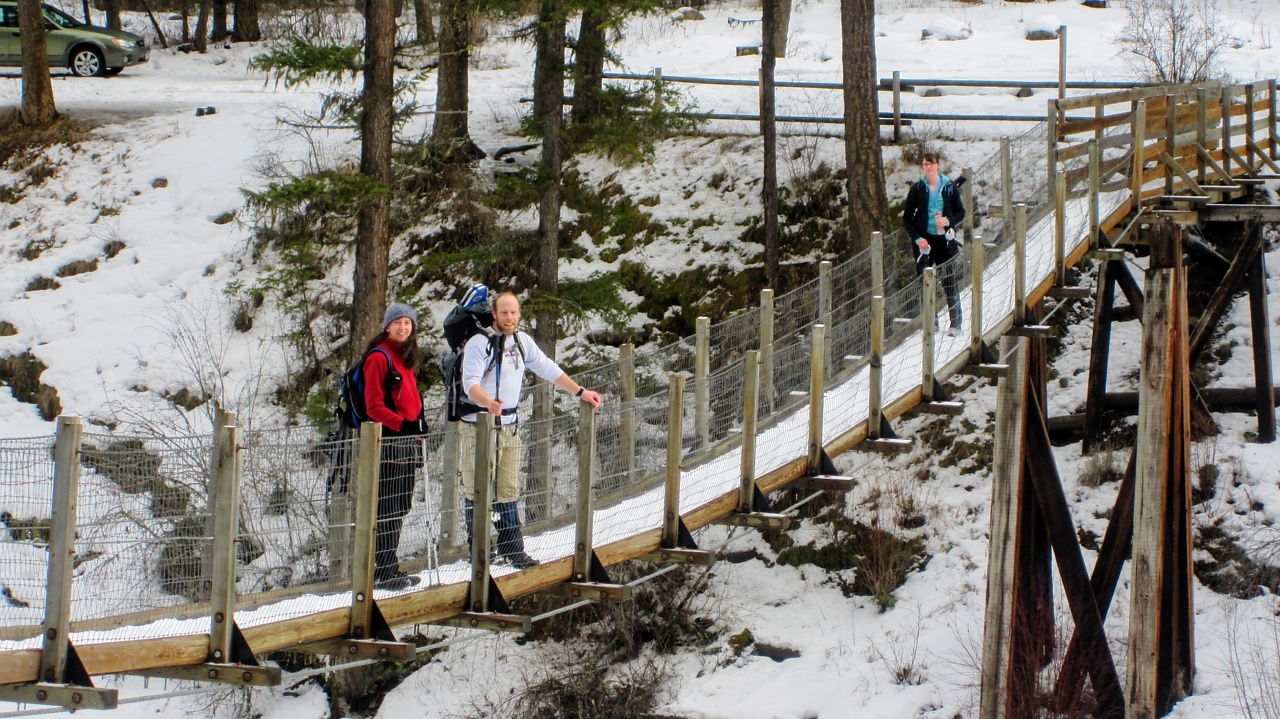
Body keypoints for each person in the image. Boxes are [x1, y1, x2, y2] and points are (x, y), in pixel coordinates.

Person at [458, 291, 602, 569]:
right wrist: (488, 402)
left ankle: (512, 549)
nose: (509, 318)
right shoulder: (479, 343)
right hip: (479, 427)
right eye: (504, 313)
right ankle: (479, 551)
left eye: (514, 313)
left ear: (519, 314)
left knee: (508, 489)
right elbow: (470, 383)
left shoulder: (522, 342)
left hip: (510, 427)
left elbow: (548, 368)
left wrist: (580, 391)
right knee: (477, 490)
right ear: (494, 315)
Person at [362, 303, 429, 591]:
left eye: (408, 323)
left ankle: (388, 566)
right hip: (388, 443)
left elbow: (410, 399)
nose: (404, 327)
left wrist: (419, 423)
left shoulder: (404, 357)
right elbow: (373, 407)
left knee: (399, 504)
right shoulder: (380, 358)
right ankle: (383, 569)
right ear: (387, 326)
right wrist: (406, 426)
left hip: (406, 443)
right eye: (398, 322)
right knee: (389, 506)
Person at [903, 153, 965, 336]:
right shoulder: (918, 189)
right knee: (925, 281)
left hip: (944, 241)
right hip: (924, 241)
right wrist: (917, 238)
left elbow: (960, 212)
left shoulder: (949, 187)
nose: (928, 167)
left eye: (931, 164)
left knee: (949, 280)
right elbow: (907, 218)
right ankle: (932, 322)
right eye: (925, 164)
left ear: (938, 166)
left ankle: (956, 324)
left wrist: (948, 221)